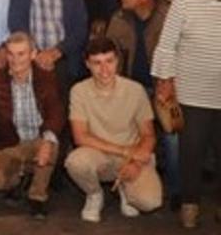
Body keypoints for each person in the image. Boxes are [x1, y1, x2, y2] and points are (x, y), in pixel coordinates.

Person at [151, 0, 221, 229]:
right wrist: (164, 81)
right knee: (191, 152)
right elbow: (166, 45)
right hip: (193, 93)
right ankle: (190, 204)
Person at [66, 37, 162, 222]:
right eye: (97, 63)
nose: (104, 70)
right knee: (75, 162)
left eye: (109, 61)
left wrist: (137, 162)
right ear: (87, 64)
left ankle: (126, 188)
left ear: (117, 60)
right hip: (100, 154)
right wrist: (124, 151)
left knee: (150, 202)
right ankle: (94, 194)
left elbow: (148, 135)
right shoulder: (79, 91)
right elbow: (80, 137)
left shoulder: (135, 90)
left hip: (132, 157)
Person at [0, 32, 66, 219]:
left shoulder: (47, 78)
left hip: (39, 141)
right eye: (11, 54)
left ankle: (37, 198)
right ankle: (19, 178)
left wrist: (47, 140)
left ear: (33, 54)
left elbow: (56, 113)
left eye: (21, 54)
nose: (15, 60)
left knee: (51, 144)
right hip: (11, 145)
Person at [105, 0, 176, 207]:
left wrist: (169, 86)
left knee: (173, 138)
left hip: (167, 90)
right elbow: (109, 54)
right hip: (130, 89)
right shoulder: (119, 18)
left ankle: (177, 192)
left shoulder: (171, 16)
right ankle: (126, 181)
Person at [9, 0, 90, 100]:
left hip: (64, 59)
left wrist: (56, 52)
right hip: (31, 60)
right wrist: (37, 53)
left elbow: (81, 29)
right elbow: (16, 25)